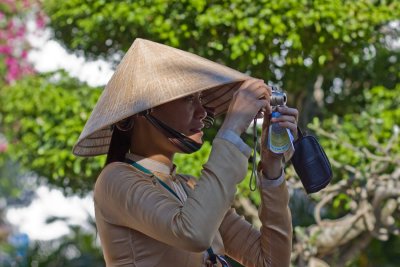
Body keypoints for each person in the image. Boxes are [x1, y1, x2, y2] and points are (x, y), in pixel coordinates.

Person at [73, 38, 298, 267]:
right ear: (140, 112)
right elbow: (193, 233)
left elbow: (271, 262)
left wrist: (271, 168)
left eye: (201, 99)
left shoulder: (189, 188)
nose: (202, 112)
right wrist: (231, 128)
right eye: (188, 98)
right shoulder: (115, 179)